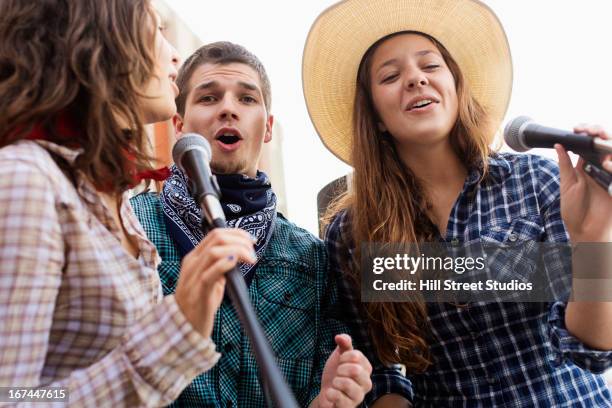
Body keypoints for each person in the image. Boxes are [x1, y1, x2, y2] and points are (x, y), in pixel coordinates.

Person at [302, 0, 612, 406]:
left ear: (455, 86)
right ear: (375, 115)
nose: (415, 79)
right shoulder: (352, 233)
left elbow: (592, 349)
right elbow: (381, 374)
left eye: (430, 66)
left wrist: (594, 241)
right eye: (391, 76)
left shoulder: (537, 182)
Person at [0, 1, 258, 406]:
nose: (174, 52)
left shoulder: (114, 200)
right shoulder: (26, 180)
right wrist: (174, 332)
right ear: (98, 39)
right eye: (156, 29)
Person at [130, 41, 376, 407]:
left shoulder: (312, 258)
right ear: (179, 126)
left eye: (247, 99)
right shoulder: (130, 229)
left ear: (268, 128)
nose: (228, 108)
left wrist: (328, 399)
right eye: (209, 98)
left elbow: (330, 385)